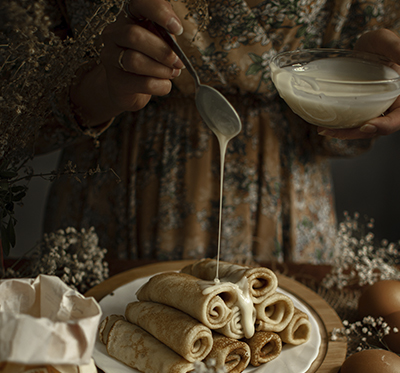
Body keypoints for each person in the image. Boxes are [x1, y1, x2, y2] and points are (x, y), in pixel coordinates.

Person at [38, 0, 400, 264]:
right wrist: (102, 90)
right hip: (114, 204)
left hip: (285, 214)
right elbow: (18, 97)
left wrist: (362, 83)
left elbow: (334, 126)